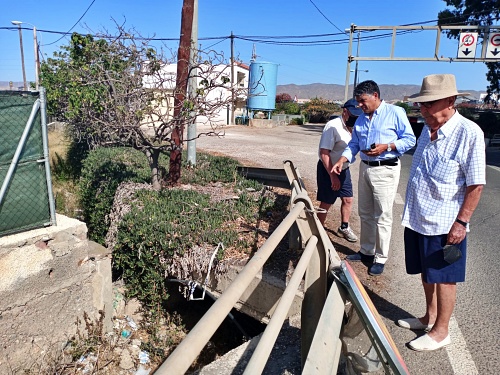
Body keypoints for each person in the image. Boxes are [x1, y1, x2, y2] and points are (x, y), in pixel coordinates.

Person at [398, 74, 485, 351]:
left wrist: (461, 222)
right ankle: (430, 317)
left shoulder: (468, 132)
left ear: (450, 101)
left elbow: (476, 183)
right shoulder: (427, 129)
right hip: (418, 216)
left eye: (429, 104)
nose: (423, 109)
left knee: (445, 278)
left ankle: (442, 331)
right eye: (421, 104)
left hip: (445, 222)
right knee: (426, 273)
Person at [332, 80, 416, 276]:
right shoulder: (361, 119)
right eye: (358, 102)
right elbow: (354, 144)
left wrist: (386, 146)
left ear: (375, 96)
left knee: (383, 215)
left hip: (385, 169)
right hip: (365, 168)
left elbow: (410, 139)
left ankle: (380, 257)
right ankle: (367, 251)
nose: (360, 105)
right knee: (365, 212)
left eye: (363, 101)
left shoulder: (395, 113)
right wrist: (343, 159)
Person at [316, 99, 362, 242]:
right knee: (326, 202)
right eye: (353, 115)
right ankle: (318, 230)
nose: (356, 118)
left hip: (344, 168)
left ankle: (344, 227)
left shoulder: (356, 126)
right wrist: (332, 176)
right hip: (328, 168)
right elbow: (324, 153)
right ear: (345, 111)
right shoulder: (333, 126)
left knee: (348, 199)